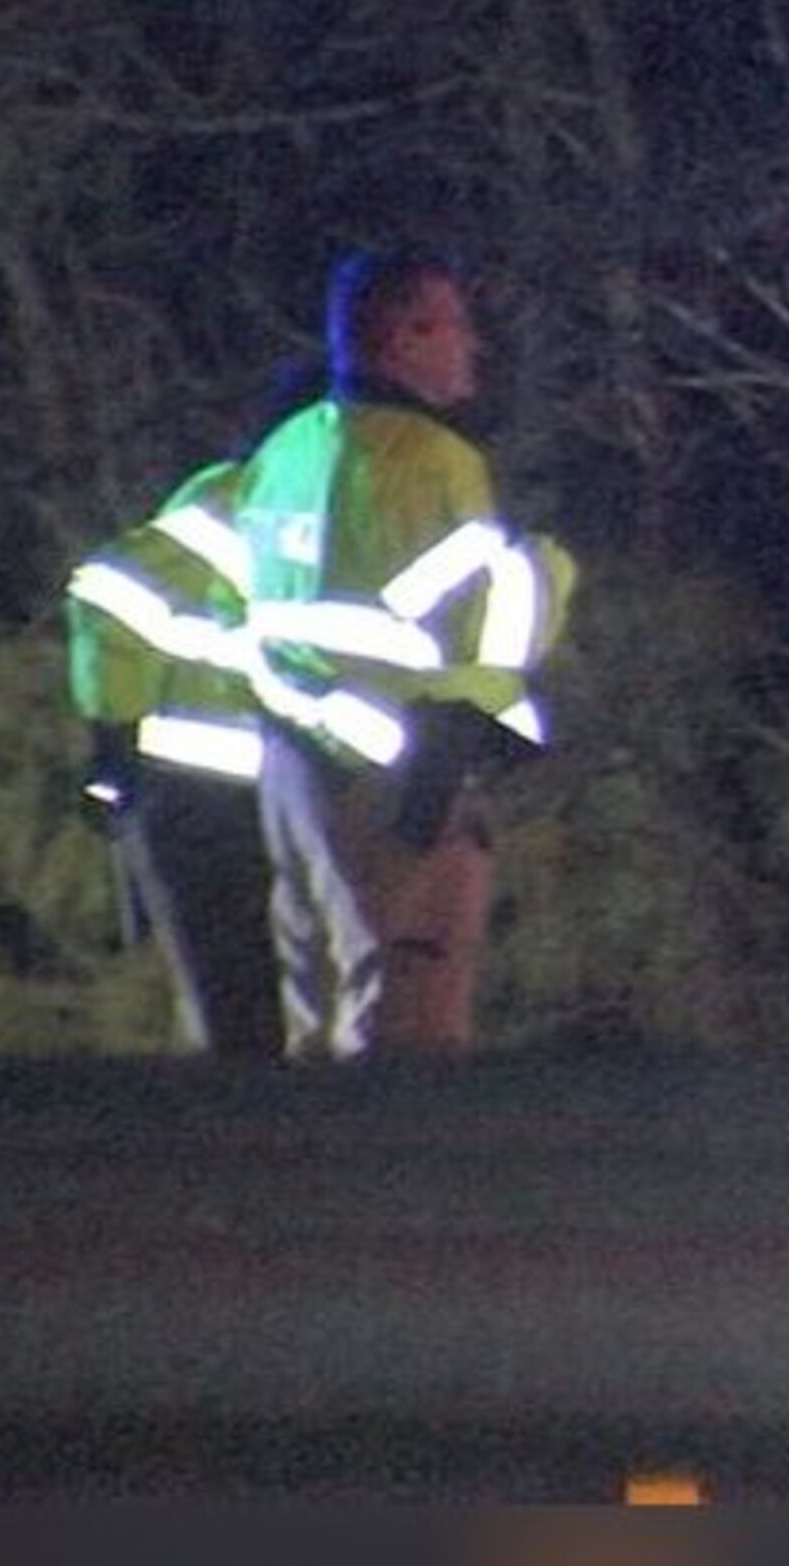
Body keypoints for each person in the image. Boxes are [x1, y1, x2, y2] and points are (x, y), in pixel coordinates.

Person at [234, 247, 574, 1058]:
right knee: (410, 1019)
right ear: (403, 336)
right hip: (403, 776)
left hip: (293, 763)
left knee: (316, 1014)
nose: (472, 347)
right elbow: (479, 625)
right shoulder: (429, 460)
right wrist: (549, 573)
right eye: (454, 325)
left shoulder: (287, 452)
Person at [63, 455, 278, 1056]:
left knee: (223, 998)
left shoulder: (159, 555)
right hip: (315, 797)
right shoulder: (336, 537)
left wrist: (110, 753)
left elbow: (107, 619)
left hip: (183, 797)